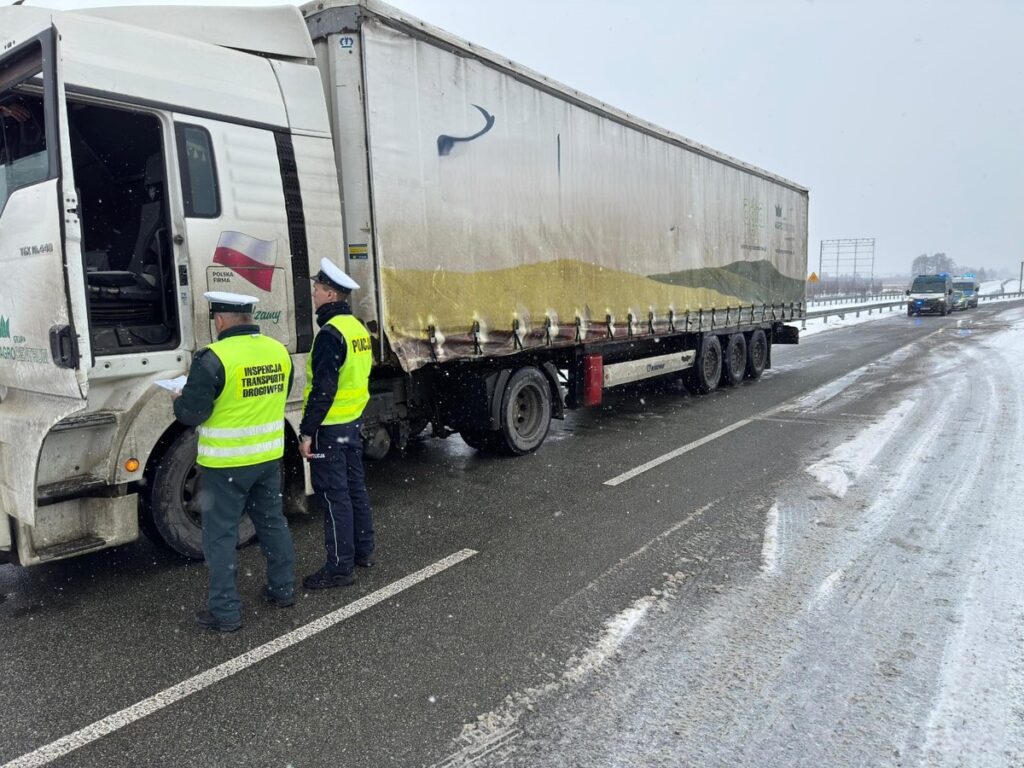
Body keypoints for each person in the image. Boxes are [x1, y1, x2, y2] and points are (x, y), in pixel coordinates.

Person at [173, 291, 296, 631]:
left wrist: (179, 398)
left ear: (220, 320)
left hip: (225, 465)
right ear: (249, 317)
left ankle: (225, 612)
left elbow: (191, 413)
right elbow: (280, 396)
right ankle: (282, 589)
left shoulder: (213, 358)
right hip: (268, 458)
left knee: (221, 536)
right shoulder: (278, 351)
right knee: (272, 523)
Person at [299, 258, 375, 589]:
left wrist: (306, 432)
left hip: (329, 428)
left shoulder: (330, 335)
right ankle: (363, 551)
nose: (313, 294)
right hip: (352, 422)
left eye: (317, 289)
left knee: (333, 495)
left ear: (330, 294)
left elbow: (323, 390)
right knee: (354, 488)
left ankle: (340, 568)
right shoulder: (357, 328)